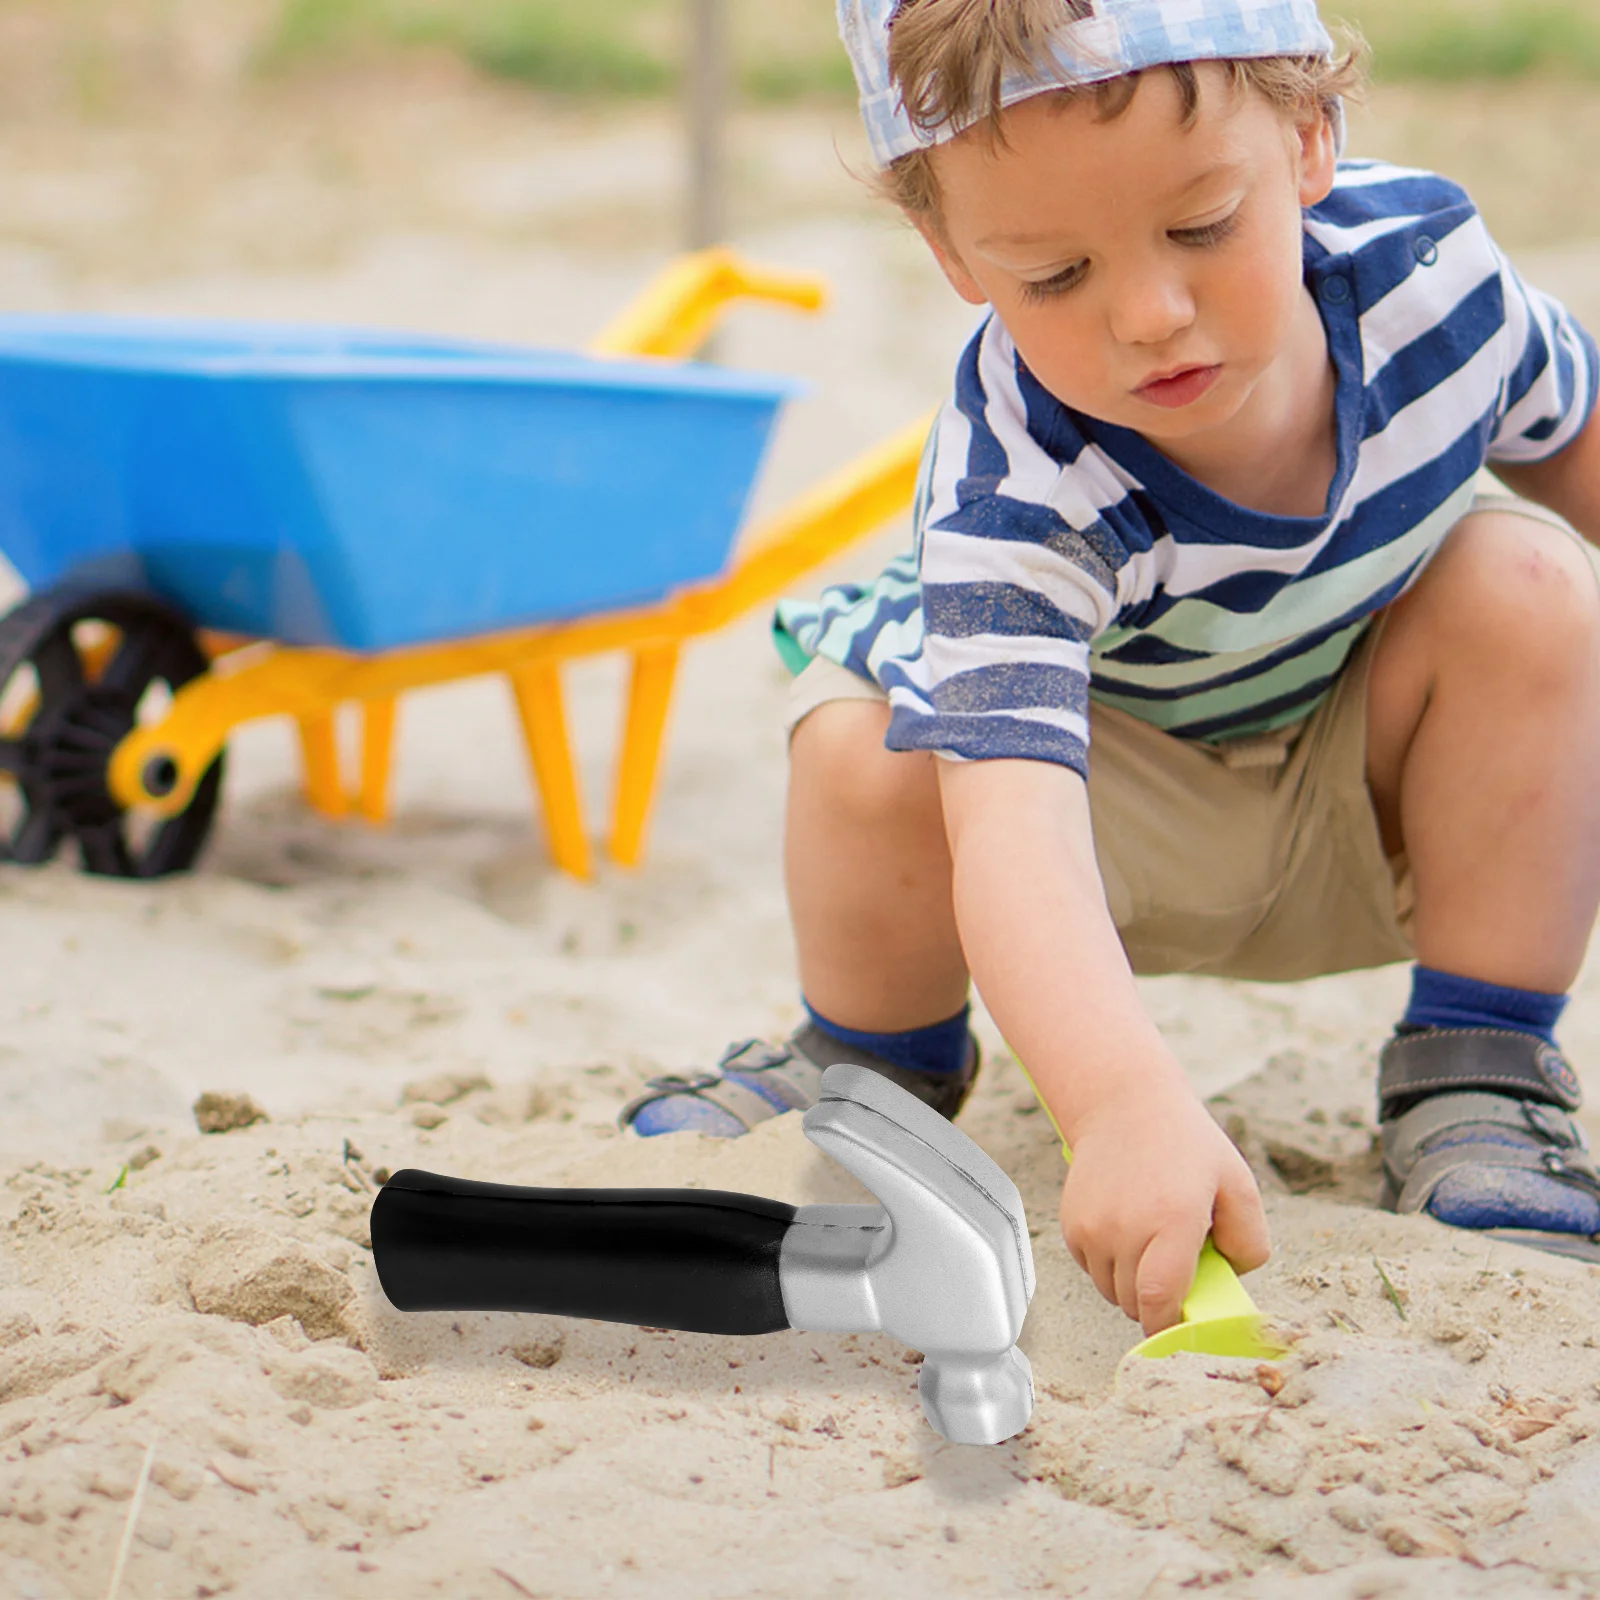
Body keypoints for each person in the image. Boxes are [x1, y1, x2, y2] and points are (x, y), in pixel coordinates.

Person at [620, 0, 1600, 1336]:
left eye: (1202, 227)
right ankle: (874, 1053)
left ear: (1311, 136)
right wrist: (1121, 1106)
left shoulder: (1432, 283)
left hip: (1373, 802)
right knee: (869, 741)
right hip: (1089, 842)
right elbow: (1012, 827)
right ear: (951, 250)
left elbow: (1575, 444)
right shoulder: (1018, 479)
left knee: (1534, 586)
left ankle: (1481, 1068)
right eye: (1053, 275)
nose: (1151, 314)